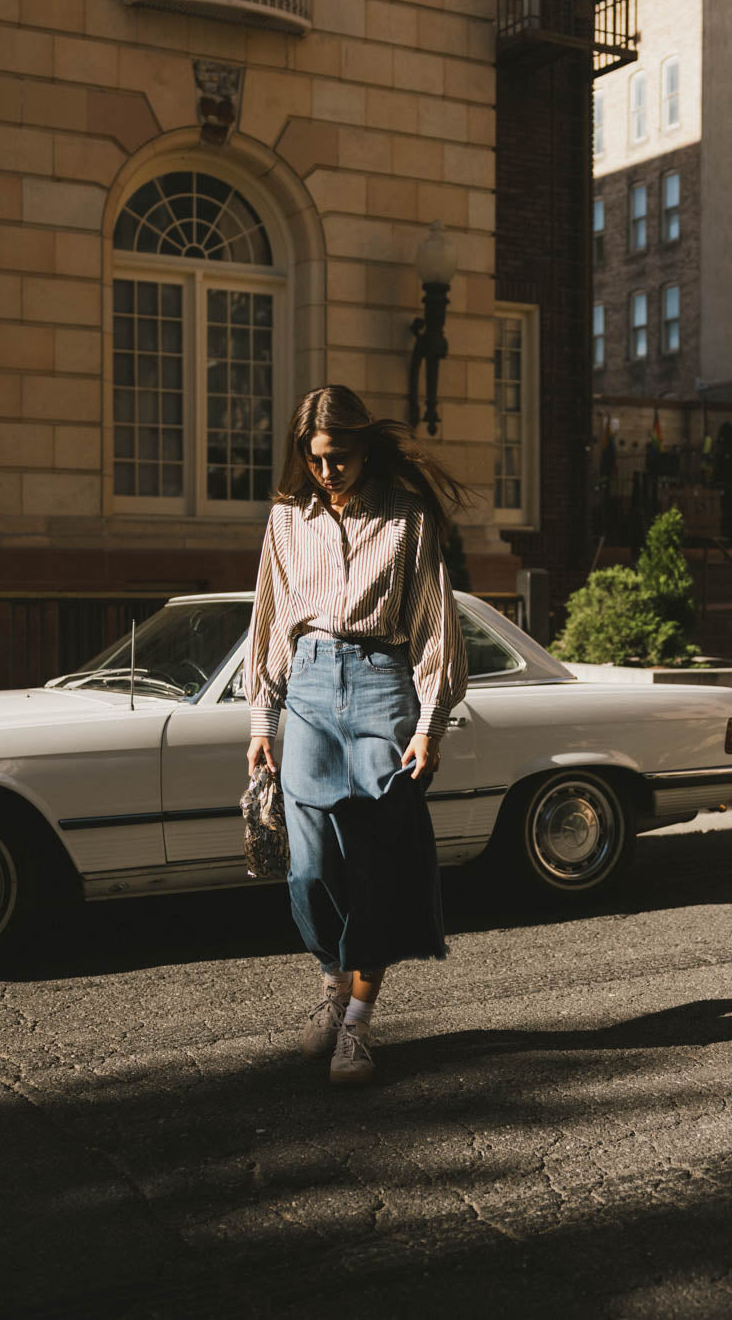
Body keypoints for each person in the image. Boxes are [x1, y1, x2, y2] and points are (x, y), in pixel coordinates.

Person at [244, 385, 469, 1086]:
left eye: (338, 457)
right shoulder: (286, 520)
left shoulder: (407, 519)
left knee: (376, 861)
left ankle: (357, 1027)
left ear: (364, 447)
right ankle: (331, 981)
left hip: (381, 684)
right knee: (309, 867)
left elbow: (434, 623)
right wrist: (262, 721)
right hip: (308, 684)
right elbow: (270, 621)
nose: (327, 471)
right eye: (315, 460)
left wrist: (430, 723)